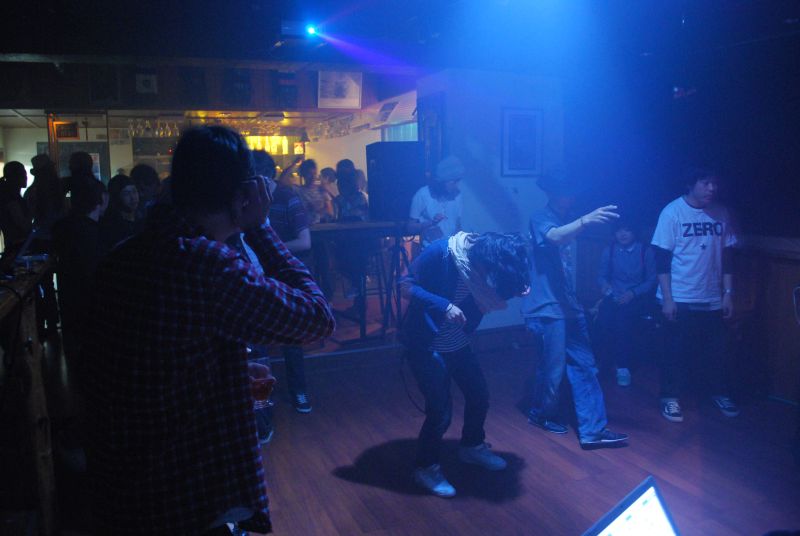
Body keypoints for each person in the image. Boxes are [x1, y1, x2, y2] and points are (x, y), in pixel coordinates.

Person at [82, 126, 335, 535]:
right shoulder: (206, 265)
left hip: (121, 488)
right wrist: (259, 227)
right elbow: (317, 318)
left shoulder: (122, 256)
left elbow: (148, 365)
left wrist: (224, 369)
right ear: (244, 195)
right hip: (187, 496)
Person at [400, 231, 530, 498]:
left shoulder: (484, 266)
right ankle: (426, 468)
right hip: (426, 344)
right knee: (440, 411)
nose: (490, 276)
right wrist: (444, 305)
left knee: (479, 396)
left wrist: (515, 289)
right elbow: (403, 285)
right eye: (491, 271)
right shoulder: (443, 253)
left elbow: (488, 295)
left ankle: (471, 447)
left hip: (457, 342)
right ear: (484, 260)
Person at [521, 172, 628, 448]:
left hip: (570, 305)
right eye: (565, 191)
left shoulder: (568, 219)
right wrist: (585, 220)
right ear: (552, 193)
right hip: (547, 307)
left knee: (585, 365)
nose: (570, 197)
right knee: (553, 368)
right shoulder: (541, 217)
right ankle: (541, 414)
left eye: (572, 191)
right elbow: (554, 237)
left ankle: (593, 431)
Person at [650, 167, 739, 423]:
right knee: (674, 351)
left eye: (714, 183)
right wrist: (668, 299)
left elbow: (728, 256)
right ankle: (669, 397)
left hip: (712, 295)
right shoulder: (672, 212)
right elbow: (662, 259)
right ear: (691, 184)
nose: (712, 188)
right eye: (705, 183)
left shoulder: (721, 213)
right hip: (680, 294)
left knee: (717, 350)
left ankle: (718, 392)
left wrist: (728, 293)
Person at [52, 177, 108, 368]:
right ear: (101, 198)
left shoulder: (62, 227)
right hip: (91, 302)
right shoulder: (95, 232)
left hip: (68, 298)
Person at [595, 219, 657, 386]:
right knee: (603, 320)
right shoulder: (610, 251)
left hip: (637, 297)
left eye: (627, 230)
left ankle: (623, 367)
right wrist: (605, 286)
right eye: (619, 231)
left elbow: (652, 280)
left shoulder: (645, 251)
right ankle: (604, 363)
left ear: (634, 232)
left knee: (623, 322)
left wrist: (633, 293)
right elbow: (601, 276)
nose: (622, 234)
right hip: (614, 295)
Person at [409, 155, 464, 248]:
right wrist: (430, 223)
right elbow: (410, 227)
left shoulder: (458, 195)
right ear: (442, 181)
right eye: (453, 182)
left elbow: (457, 225)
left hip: (451, 251)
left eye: (457, 181)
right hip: (430, 251)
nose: (456, 185)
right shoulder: (422, 194)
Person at [99, 174, 144, 252]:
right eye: (126, 193)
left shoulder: (143, 217)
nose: (133, 197)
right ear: (116, 197)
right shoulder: (111, 226)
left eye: (134, 191)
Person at [0, 161, 32, 262]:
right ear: (15, 177)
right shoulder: (11, 199)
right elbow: (22, 224)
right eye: (23, 174)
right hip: (18, 247)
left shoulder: (8, 197)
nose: (26, 177)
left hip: (15, 246)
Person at [295, 158, 327, 225]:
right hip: (305, 227)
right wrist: (294, 164)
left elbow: (330, 213)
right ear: (303, 174)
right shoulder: (298, 190)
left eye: (314, 174)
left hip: (321, 227)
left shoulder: (322, 190)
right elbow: (282, 182)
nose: (313, 177)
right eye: (309, 174)